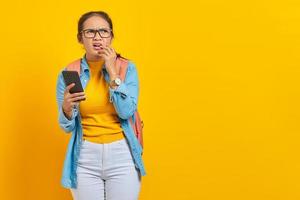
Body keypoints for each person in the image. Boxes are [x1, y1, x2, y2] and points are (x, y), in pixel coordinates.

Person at [55, 11, 146, 200]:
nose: (97, 37)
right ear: (80, 38)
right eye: (90, 32)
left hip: (122, 154)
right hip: (85, 156)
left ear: (111, 36)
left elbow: (126, 111)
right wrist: (66, 108)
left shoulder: (127, 68)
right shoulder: (70, 72)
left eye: (103, 31)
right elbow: (67, 127)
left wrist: (113, 72)